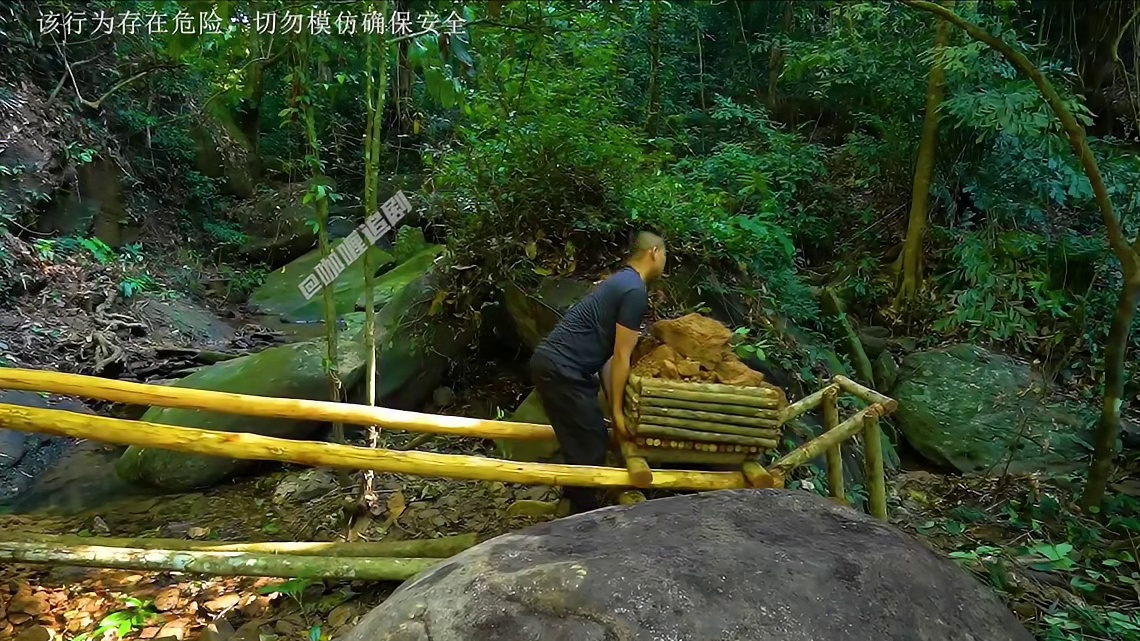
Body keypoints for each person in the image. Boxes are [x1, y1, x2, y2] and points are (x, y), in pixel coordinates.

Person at [529, 231, 668, 514]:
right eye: (665, 255)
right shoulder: (634, 291)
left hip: (555, 367)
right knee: (591, 441)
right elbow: (621, 356)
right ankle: (582, 518)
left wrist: (615, 407)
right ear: (654, 252)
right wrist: (617, 414)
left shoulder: (621, 282)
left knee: (582, 438)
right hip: (563, 369)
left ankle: (571, 503)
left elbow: (608, 359)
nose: (665, 262)